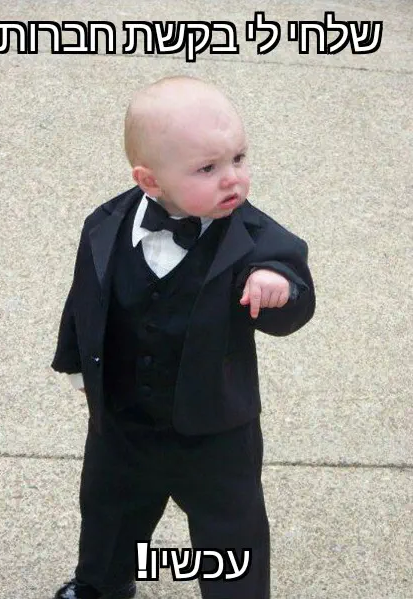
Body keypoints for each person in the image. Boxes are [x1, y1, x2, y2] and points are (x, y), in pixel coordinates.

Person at [50, 75, 315, 599]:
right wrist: (76, 361)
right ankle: (102, 583)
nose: (232, 178)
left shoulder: (258, 240)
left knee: (229, 526)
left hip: (215, 428)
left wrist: (280, 288)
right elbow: (86, 298)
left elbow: (296, 304)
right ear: (149, 180)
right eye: (207, 168)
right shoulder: (104, 225)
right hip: (123, 419)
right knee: (109, 508)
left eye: (239, 157)